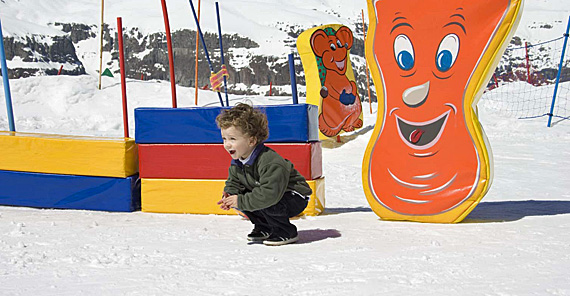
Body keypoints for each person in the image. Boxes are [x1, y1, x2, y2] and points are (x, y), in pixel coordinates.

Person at [216, 103, 312, 246]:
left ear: (252, 140)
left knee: (259, 199)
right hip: (270, 193)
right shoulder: (238, 161)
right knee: (243, 197)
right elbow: (234, 181)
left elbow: (270, 194)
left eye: (232, 139)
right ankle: (264, 227)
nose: (227, 144)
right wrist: (230, 194)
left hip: (293, 196)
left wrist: (240, 200)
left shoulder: (270, 162)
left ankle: (285, 231)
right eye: (224, 139)